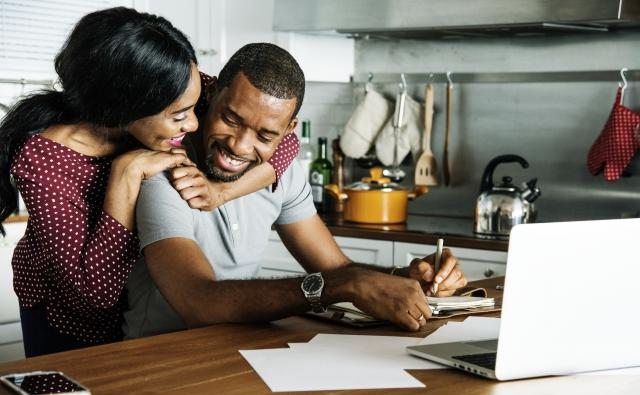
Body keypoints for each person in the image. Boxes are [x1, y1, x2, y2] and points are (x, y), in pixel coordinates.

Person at [0, 8, 299, 357]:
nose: (191, 125)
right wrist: (125, 173)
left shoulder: (178, 86)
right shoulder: (45, 159)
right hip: (65, 320)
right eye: (178, 116)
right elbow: (92, 296)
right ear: (125, 108)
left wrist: (221, 192)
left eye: (193, 108)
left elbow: (285, 142)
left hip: (138, 308)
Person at [124, 43, 468, 339]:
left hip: (231, 353)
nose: (240, 146)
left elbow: (337, 268)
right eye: (231, 120)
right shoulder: (166, 173)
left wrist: (404, 279)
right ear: (211, 94)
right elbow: (198, 302)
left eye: (264, 136)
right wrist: (343, 285)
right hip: (155, 360)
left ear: (288, 131)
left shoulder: (283, 176)